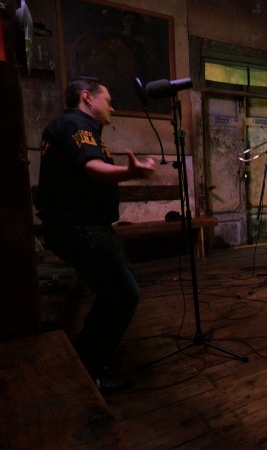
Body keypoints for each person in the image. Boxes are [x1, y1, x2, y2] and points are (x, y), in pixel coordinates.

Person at [35, 76, 157, 394]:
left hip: (88, 226)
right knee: (122, 293)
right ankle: (91, 368)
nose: (112, 108)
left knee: (120, 289)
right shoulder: (75, 124)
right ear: (87, 98)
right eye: (109, 101)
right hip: (80, 227)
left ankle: (95, 351)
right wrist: (130, 172)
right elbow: (92, 168)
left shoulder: (79, 127)